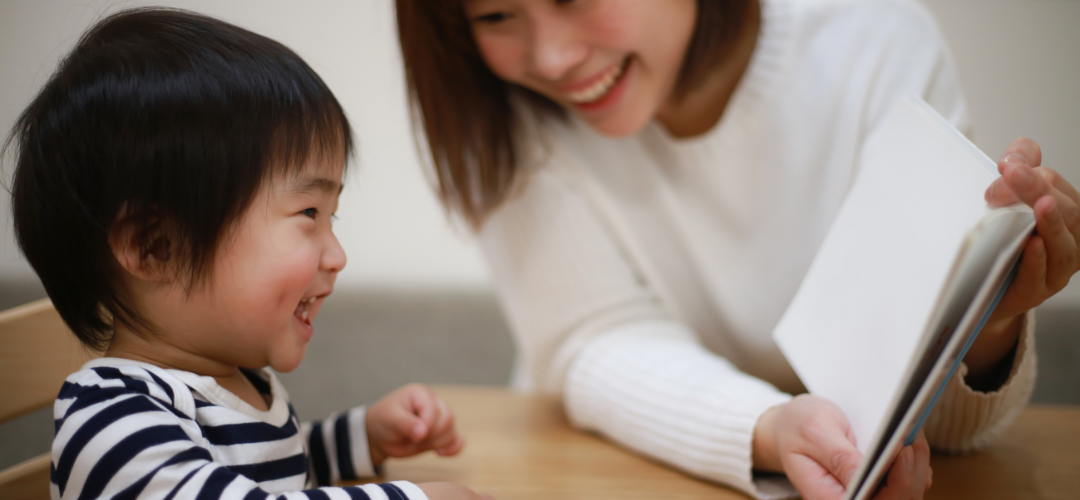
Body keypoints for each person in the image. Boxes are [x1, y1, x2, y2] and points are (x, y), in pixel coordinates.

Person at [395, 0, 1079, 498]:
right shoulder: (504, 111)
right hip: (596, 468)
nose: (549, 57)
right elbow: (594, 343)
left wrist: (989, 316)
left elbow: (947, 441)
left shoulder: (874, 43)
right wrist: (767, 427)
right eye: (493, 16)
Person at [6, 9, 491, 500]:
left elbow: (273, 466)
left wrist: (361, 436)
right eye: (307, 212)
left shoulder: (236, 383)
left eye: (332, 217)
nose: (338, 256)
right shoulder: (115, 421)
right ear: (155, 247)